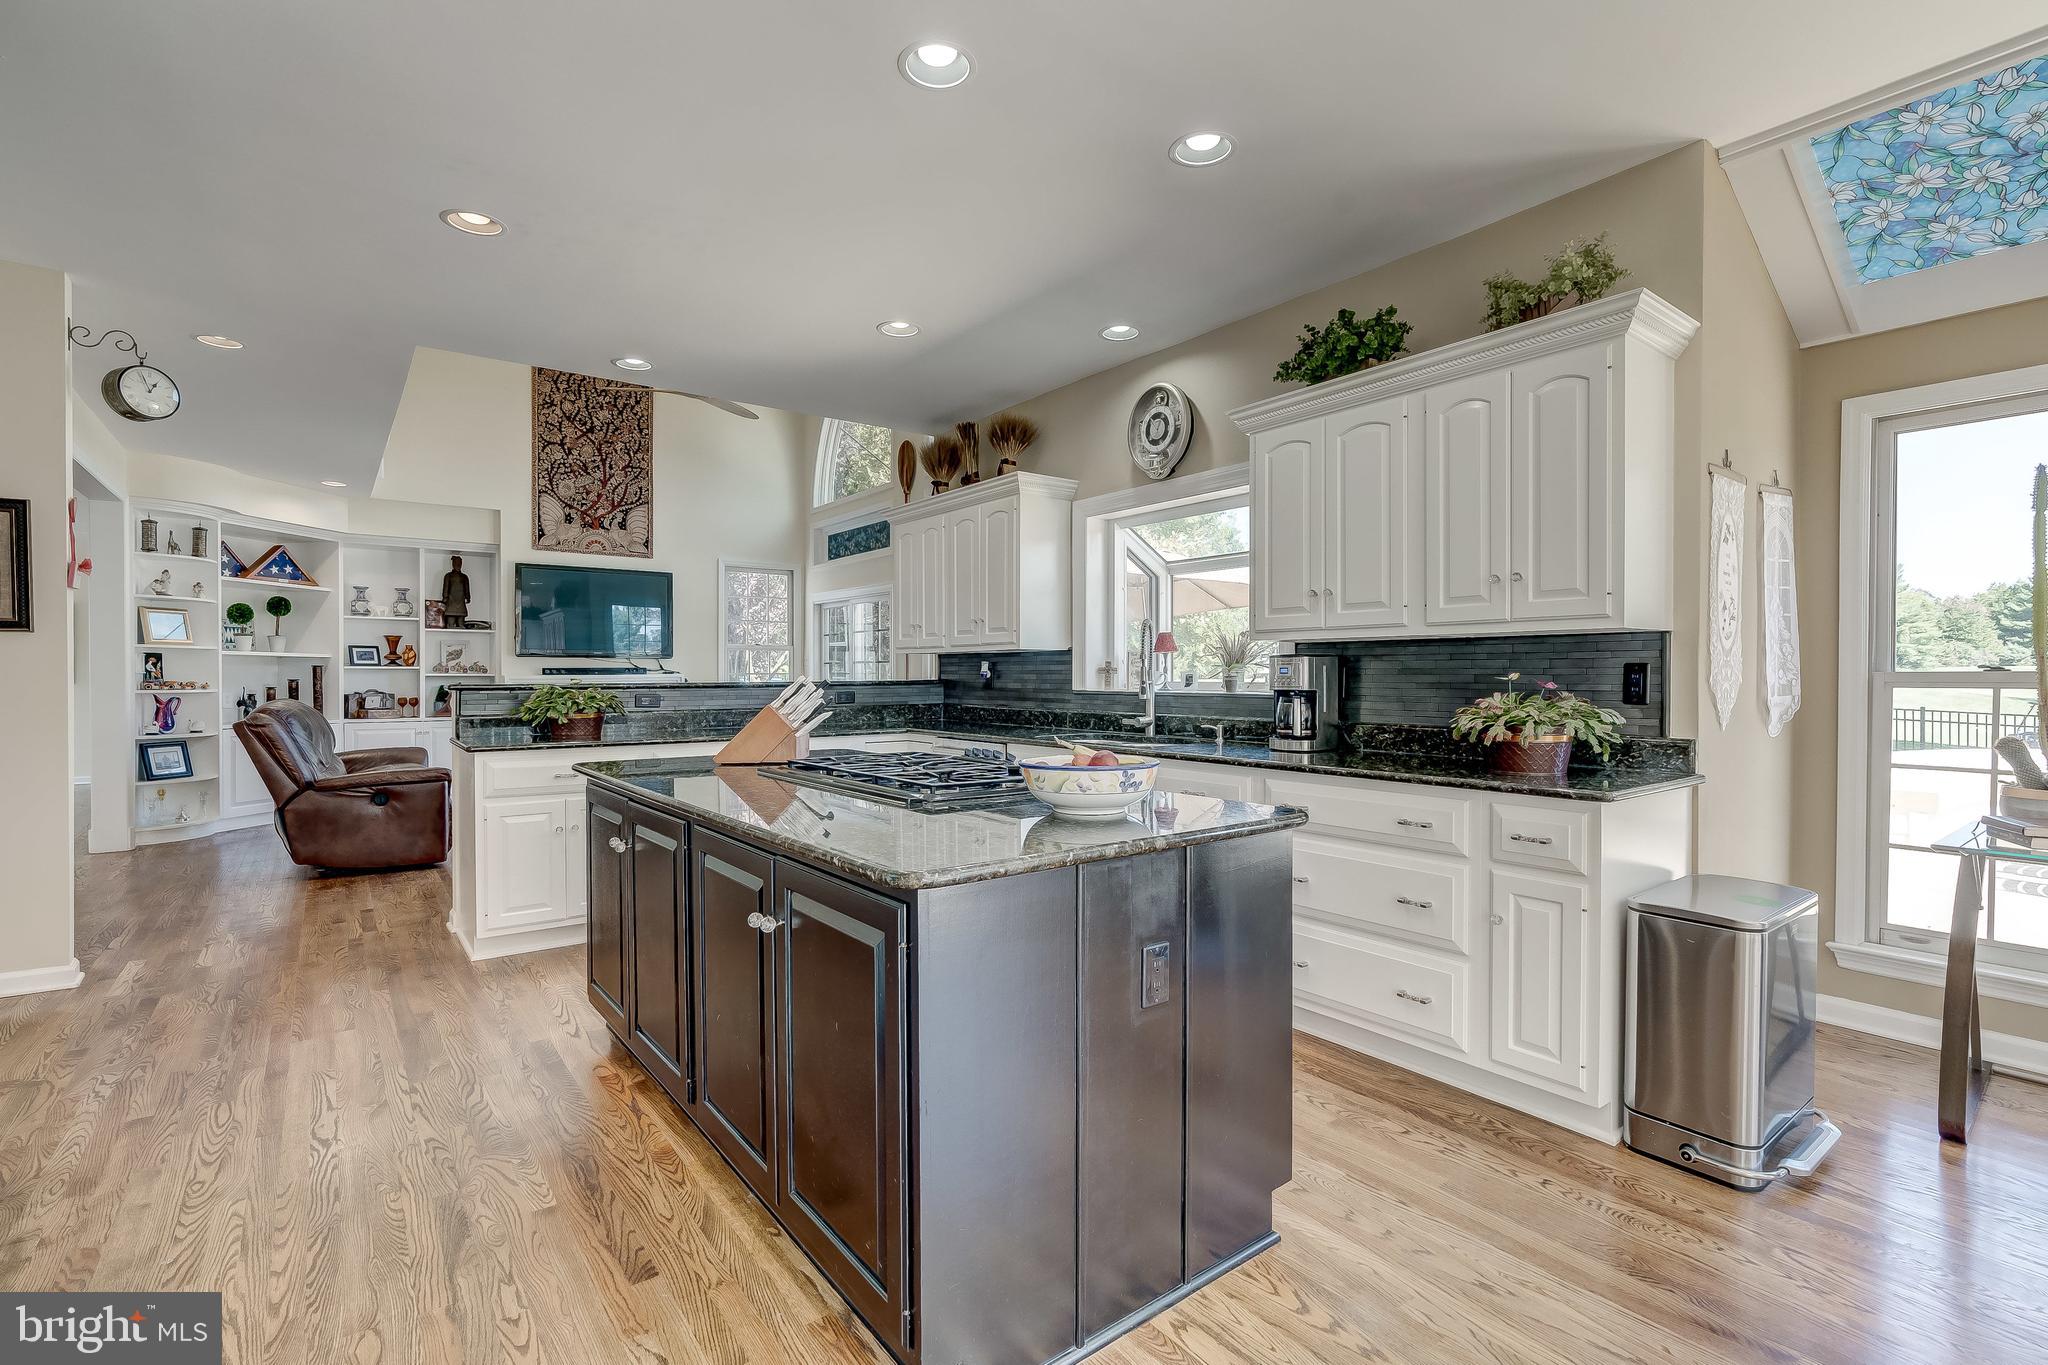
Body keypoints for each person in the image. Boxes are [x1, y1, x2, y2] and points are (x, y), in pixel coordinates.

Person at [441, 555, 471, 628]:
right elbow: (446, 587)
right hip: (451, 601)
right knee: (450, 623)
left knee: (461, 624)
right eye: (456, 563)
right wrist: (445, 597)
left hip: (461, 601)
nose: (458, 565)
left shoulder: (464, 577)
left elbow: (467, 588)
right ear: (453, 564)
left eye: (459, 563)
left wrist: (468, 597)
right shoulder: (448, 576)